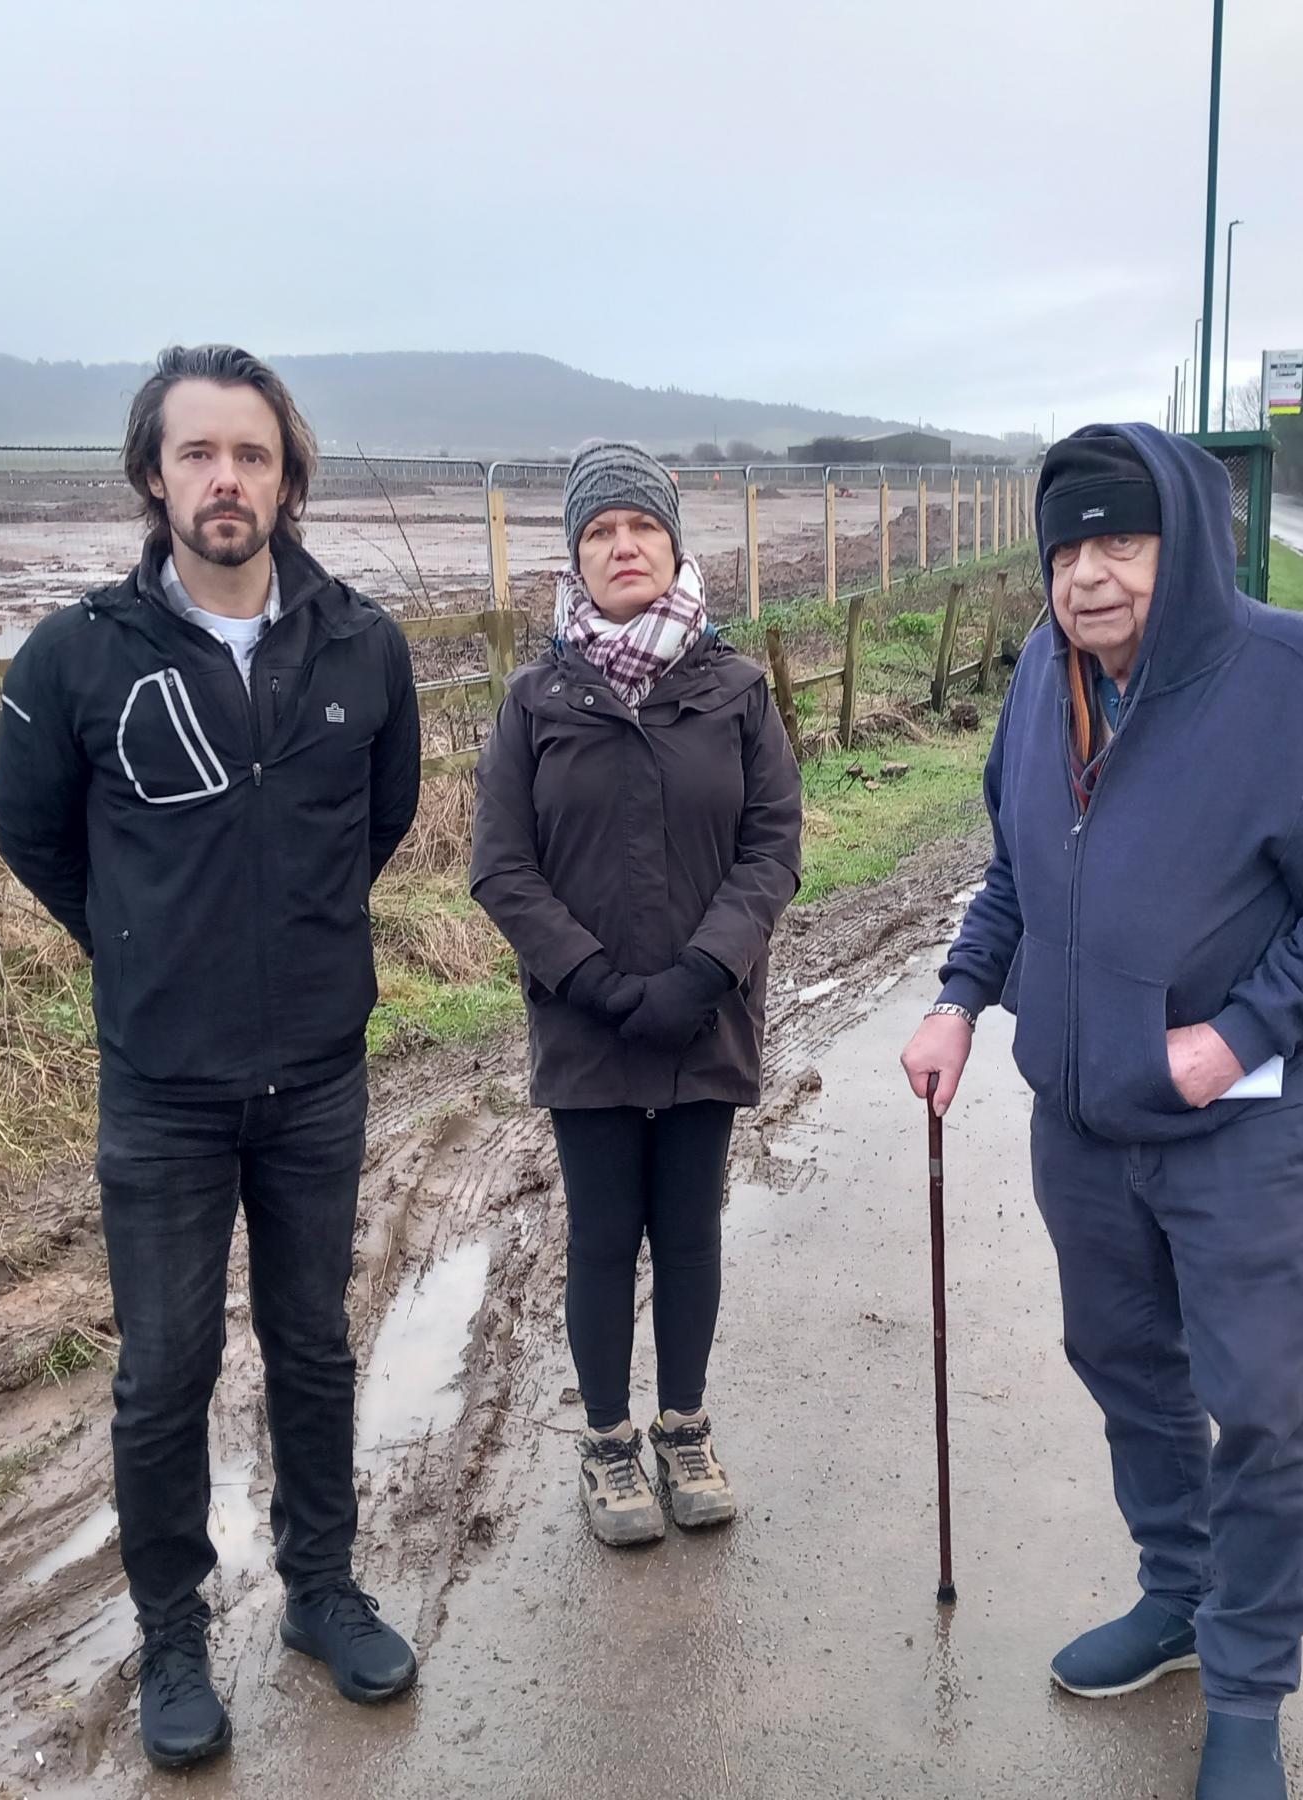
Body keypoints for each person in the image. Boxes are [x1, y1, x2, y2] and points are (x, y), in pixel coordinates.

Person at [899, 425, 1303, 1800]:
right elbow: (1015, 869)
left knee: (1258, 1406)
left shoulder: (1288, 677)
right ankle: (1178, 1598)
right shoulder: (1041, 673)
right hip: (1084, 1127)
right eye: (1066, 546)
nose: (1088, 575)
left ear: (1181, 543)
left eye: (1118, 541)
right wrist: (962, 997)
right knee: (1127, 1368)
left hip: (1246, 1135)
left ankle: (1248, 1693)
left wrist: (1237, 1034)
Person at [0, 344, 423, 1770]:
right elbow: (36, 836)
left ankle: (320, 1588)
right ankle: (172, 1633)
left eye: (251, 454)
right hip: (162, 1087)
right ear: (152, 474)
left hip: (316, 1071)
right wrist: (143, 949)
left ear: (289, 478)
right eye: (198, 454)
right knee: (166, 1367)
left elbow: (383, 820)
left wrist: (289, 941)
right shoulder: (79, 657)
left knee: (311, 1344)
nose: (224, 479)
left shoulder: (362, 644)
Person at [471, 441, 801, 1548]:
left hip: (707, 1013)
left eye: (641, 530)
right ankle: (608, 1445)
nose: (623, 548)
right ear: (576, 556)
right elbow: (501, 866)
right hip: (588, 1024)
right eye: (601, 533)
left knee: (691, 1231)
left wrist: (708, 970)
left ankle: (685, 1428)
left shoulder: (736, 691)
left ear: (673, 548)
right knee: (605, 1235)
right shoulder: (534, 700)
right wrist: (596, 981)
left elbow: (772, 844)